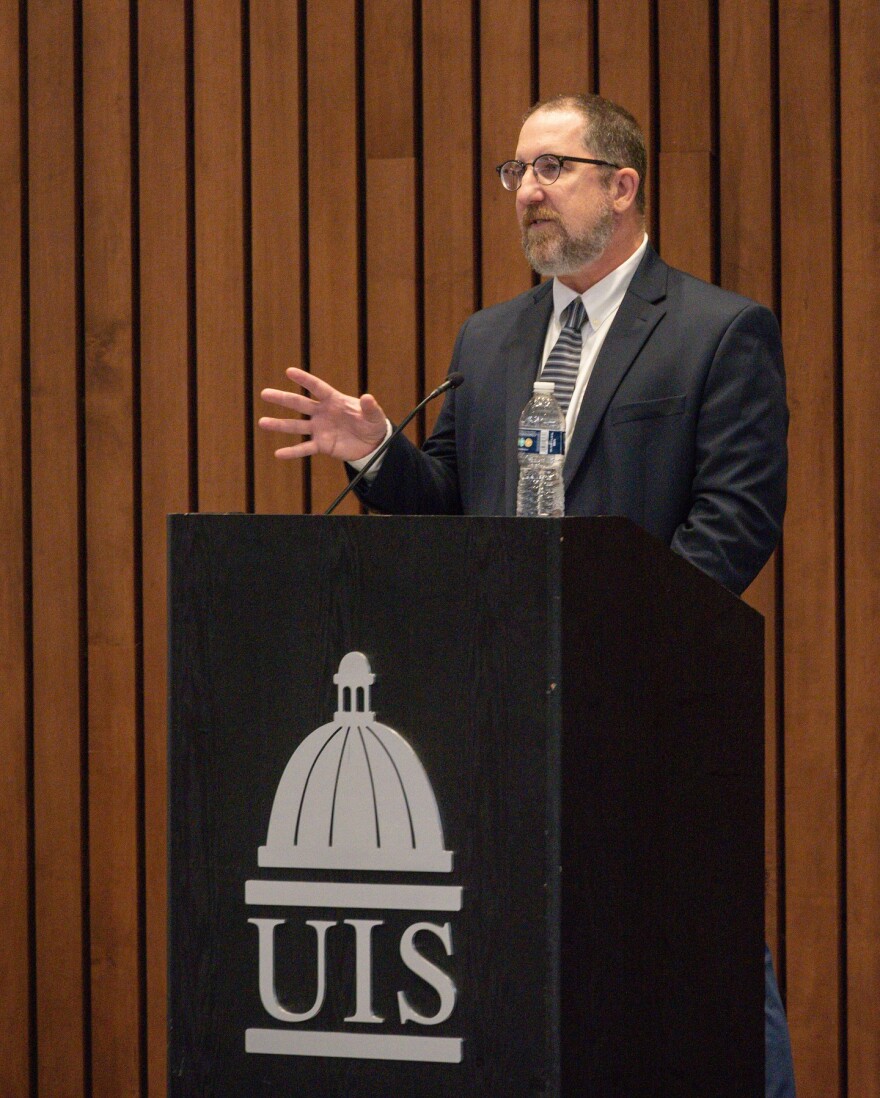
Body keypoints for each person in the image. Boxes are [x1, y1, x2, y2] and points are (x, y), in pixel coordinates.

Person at [260, 92, 795, 1096]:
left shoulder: (717, 333)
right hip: (505, 709)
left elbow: (736, 519)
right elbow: (459, 510)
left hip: (649, 710)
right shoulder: (490, 341)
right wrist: (379, 454)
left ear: (621, 185)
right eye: (515, 174)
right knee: (529, 965)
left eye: (551, 169)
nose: (526, 193)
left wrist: (616, 643)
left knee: (700, 957)